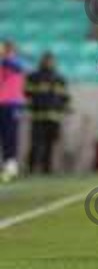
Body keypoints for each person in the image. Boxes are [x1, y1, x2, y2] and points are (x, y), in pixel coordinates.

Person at [25, 52, 71, 174]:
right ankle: (31, 167)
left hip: (54, 117)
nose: (49, 63)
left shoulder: (59, 79)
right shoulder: (34, 77)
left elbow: (65, 97)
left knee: (50, 145)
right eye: (47, 61)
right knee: (36, 144)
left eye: (51, 61)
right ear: (42, 62)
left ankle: (47, 169)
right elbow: (27, 93)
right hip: (38, 116)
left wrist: (66, 108)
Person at [0, 41, 26, 182]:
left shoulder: (15, 63)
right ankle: (7, 166)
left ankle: (11, 166)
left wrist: (5, 58)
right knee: (4, 137)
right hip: (1, 103)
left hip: (12, 104)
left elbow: (19, 67)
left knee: (10, 136)